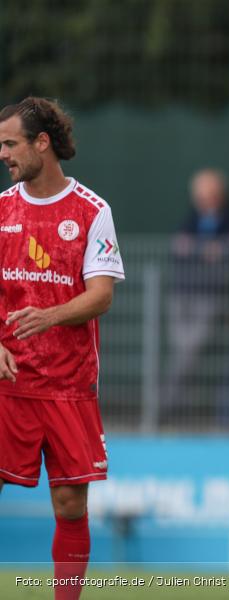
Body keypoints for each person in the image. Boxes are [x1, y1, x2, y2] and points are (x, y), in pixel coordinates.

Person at [0, 97, 125, 599]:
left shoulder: (92, 212)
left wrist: (49, 316)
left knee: (71, 506)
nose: (4, 154)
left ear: (41, 143)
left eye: (10, 144)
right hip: (8, 383)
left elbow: (101, 296)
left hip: (68, 387)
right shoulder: (2, 211)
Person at [164, 168, 229, 420]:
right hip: (183, 292)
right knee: (180, 348)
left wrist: (209, 251)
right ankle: (176, 405)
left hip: (208, 296)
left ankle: (168, 404)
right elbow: (180, 246)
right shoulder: (190, 218)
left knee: (189, 349)